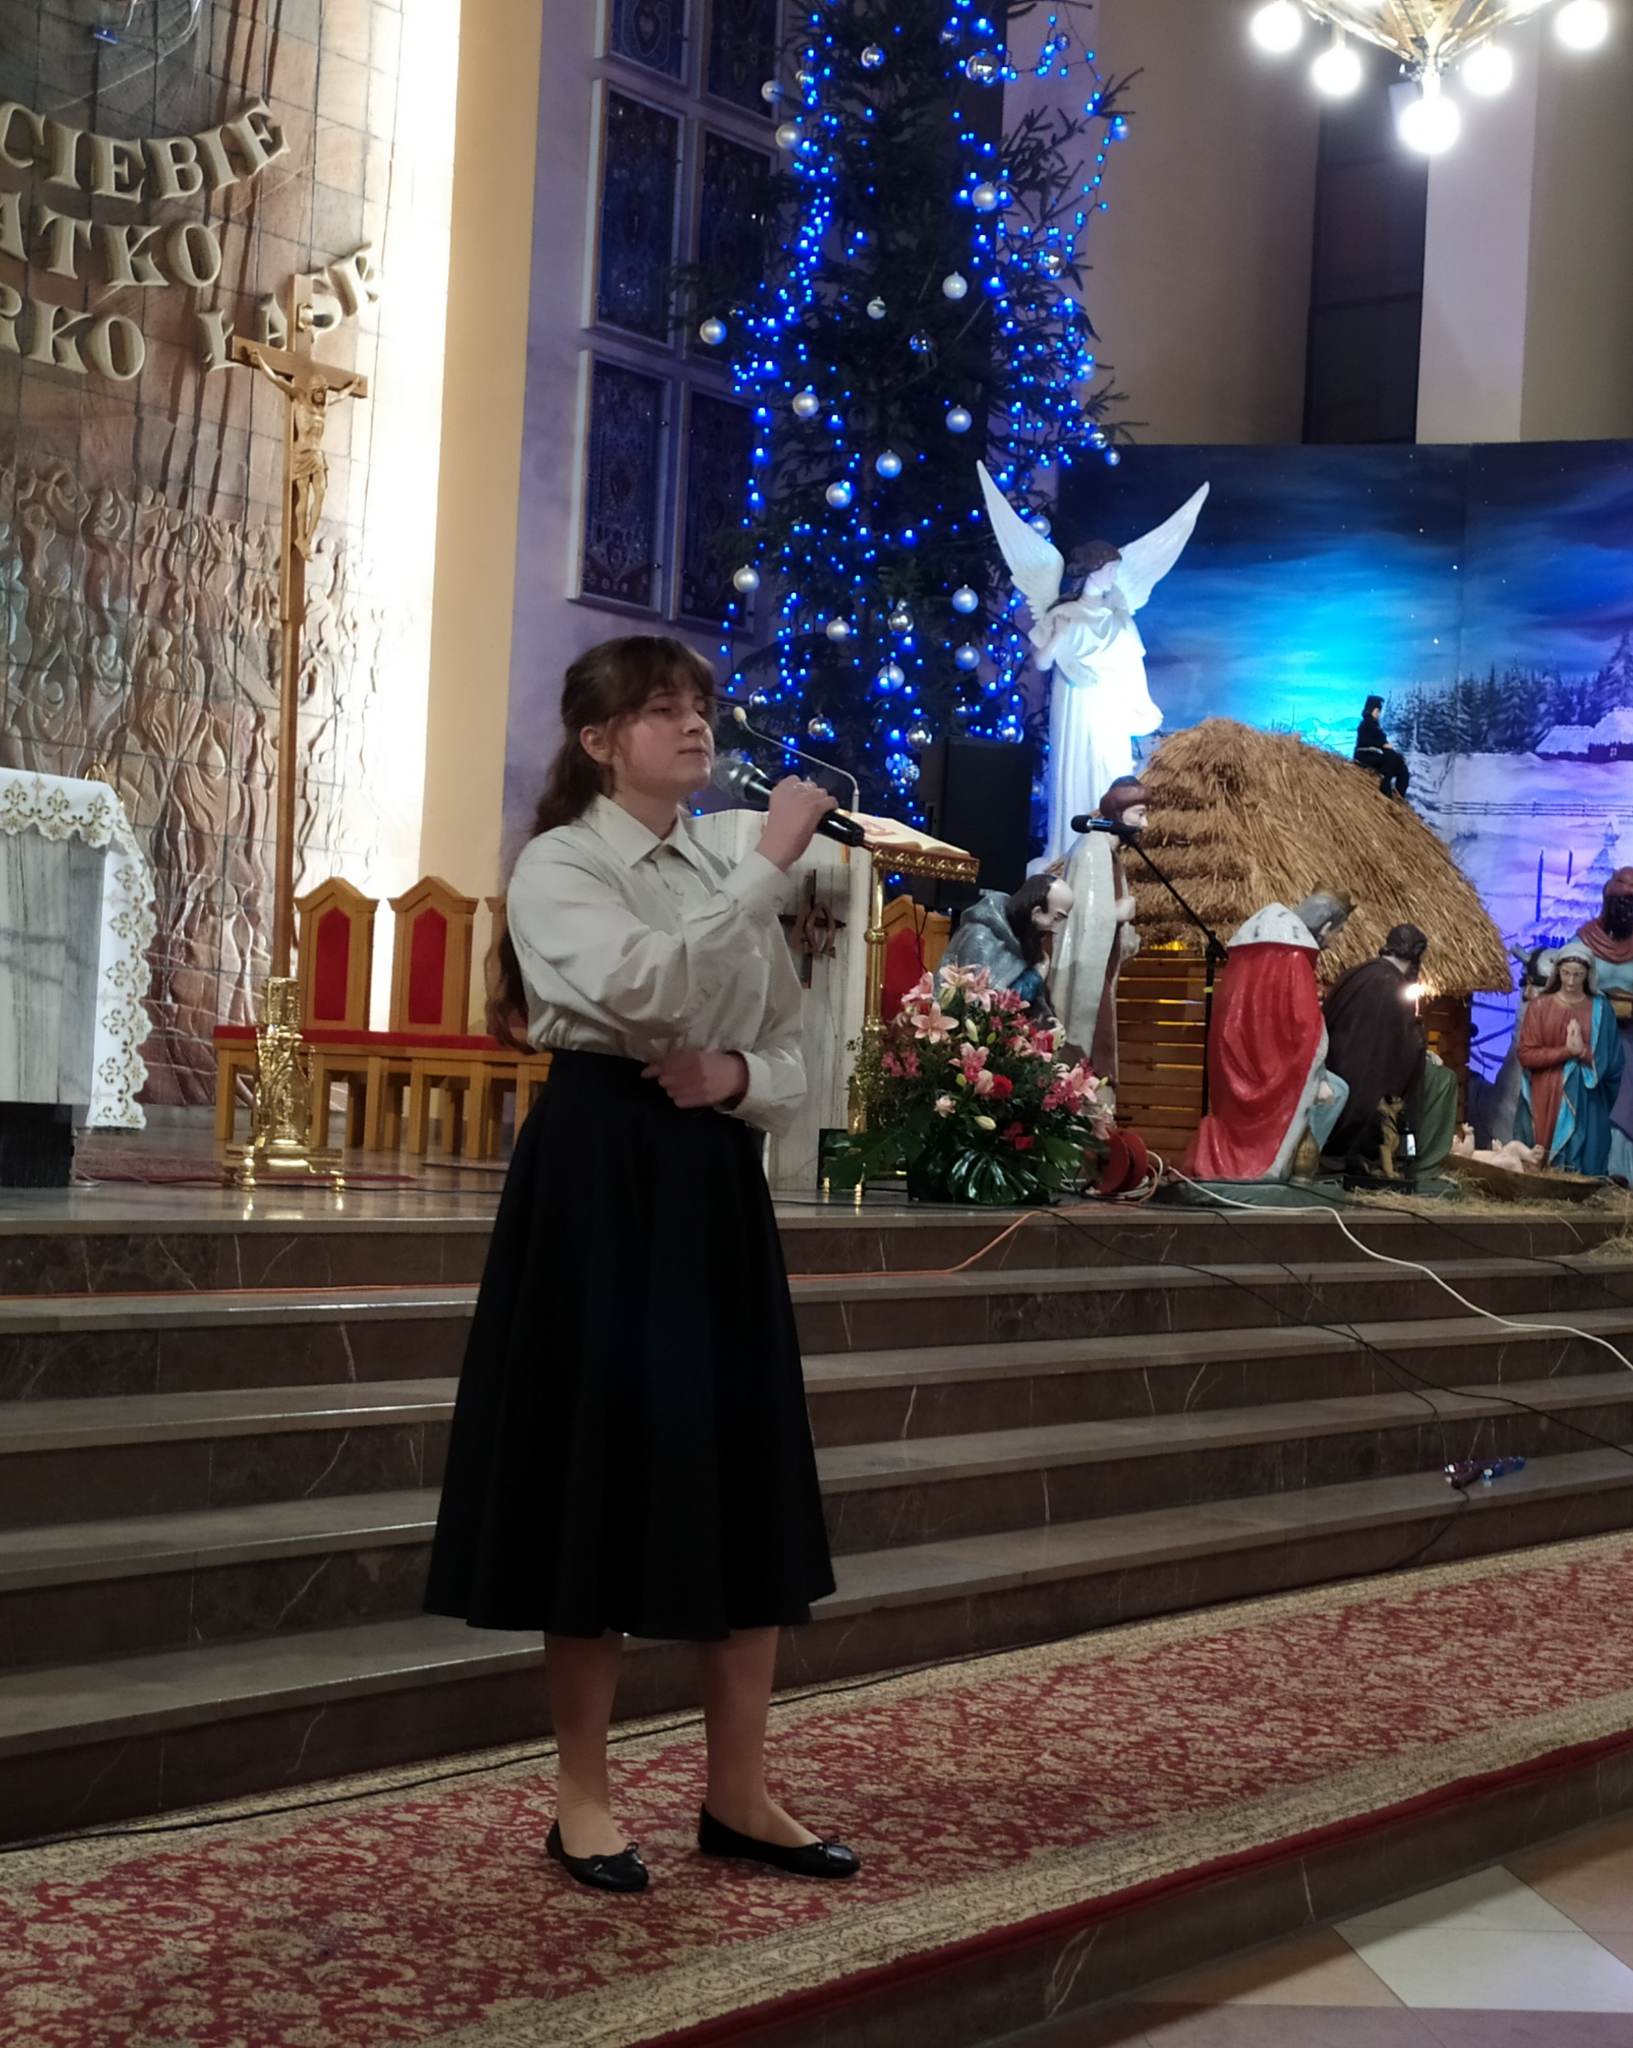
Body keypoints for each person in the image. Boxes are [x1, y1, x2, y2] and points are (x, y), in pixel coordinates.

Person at [425, 634, 860, 1895]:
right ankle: (582, 1797)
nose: (695, 726)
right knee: (595, 1466)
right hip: (600, 1172)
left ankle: (738, 1792)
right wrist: (767, 867)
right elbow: (646, 988)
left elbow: (790, 1047)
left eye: (701, 706)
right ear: (598, 738)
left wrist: (738, 1072)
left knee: (740, 1468)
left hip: (710, 1174)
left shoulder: (716, 863)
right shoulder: (563, 864)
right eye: (663, 709)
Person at [1178, 890, 1353, 1183]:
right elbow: (1305, 1028)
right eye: (1338, 931)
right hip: (1271, 1073)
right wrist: (1318, 1075)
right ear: (1325, 927)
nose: (1335, 940)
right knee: (1336, 1091)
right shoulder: (1294, 958)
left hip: (1236, 1063)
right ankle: (1295, 1170)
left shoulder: (1249, 954)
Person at [1322, 923, 1458, 1180]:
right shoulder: (1390, 984)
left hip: (1340, 1069)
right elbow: (1398, 1045)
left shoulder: (1359, 974)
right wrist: (1421, 1050)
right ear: (1416, 956)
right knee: (1444, 1081)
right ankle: (1421, 1162)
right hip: (1368, 1087)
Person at [1050, 775, 1148, 1082]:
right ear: (1118, 813)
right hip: (1087, 970)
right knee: (1094, 1042)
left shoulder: (1109, 853)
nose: (1145, 824)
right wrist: (1116, 913)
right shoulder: (1093, 849)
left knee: (1101, 1041)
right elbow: (1083, 917)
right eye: (1139, 814)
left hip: (1101, 970)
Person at [1515, 942, 1625, 1175]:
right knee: (1542, 1155)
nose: (1571, 981)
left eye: (1578, 974)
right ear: (1557, 972)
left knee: (1583, 1157)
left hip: (1586, 1097)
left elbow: (1612, 1061)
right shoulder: (1540, 1007)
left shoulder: (1601, 1009)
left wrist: (1583, 1052)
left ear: (1588, 975)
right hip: (1547, 1094)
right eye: (1566, 973)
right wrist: (1566, 1051)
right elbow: (1526, 1054)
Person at [940, 872, 1073, 1022]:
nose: (1056, 929)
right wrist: (1035, 976)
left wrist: (1045, 1019)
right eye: (1056, 919)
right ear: (1036, 912)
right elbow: (979, 1010)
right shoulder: (980, 938)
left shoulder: (1025, 936)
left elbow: (1033, 1001)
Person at [1573, 869, 1633, 1179]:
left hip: (1628, 1040)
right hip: (1589, 1036)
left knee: (1626, 1092)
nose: (1626, 910)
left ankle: (1621, 1168)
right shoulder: (1584, 941)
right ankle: (1587, 1164)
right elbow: (1566, 981)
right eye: (1621, 902)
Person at [1353, 695, 1410, 800]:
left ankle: (1398, 795)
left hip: (1373, 754)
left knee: (1399, 763)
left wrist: (1386, 747)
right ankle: (1386, 783)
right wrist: (1383, 745)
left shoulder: (1374, 724)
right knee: (1393, 758)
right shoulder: (1367, 724)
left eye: (1379, 711)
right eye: (1377, 711)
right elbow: (1373, 741)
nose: (1378, 714)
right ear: (1371, 710)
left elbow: (1382, 741)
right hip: (1365, 755)